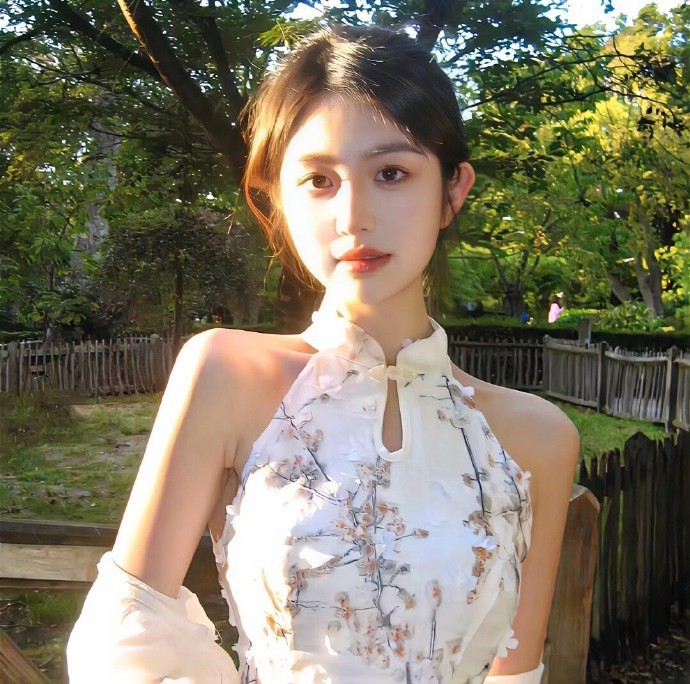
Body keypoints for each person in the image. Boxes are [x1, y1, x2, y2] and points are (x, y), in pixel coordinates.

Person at [67, 24, 580, 683]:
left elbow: (516, 676)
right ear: (278, 199)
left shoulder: (538, 438)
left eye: (391, 173)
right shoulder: (224, 374)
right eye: (318, 180)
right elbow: (125, 640)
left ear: (453, 190)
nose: (353, 216)